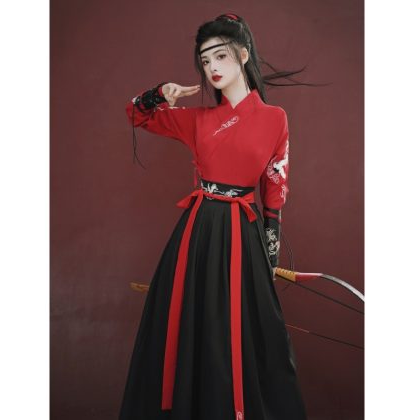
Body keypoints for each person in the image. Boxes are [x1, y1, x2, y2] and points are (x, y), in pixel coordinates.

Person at [119, 13, 308, 420]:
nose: (212, 68)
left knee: (244, 332)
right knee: (191, 325)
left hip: (243, 234)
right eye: (205, 61)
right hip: (198, 232)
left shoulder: (275, 118)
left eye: (220, 56)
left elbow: (275, 187)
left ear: (243, 55)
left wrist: (270, 252)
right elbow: (136, 114)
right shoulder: (199, 120)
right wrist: (161, 93)